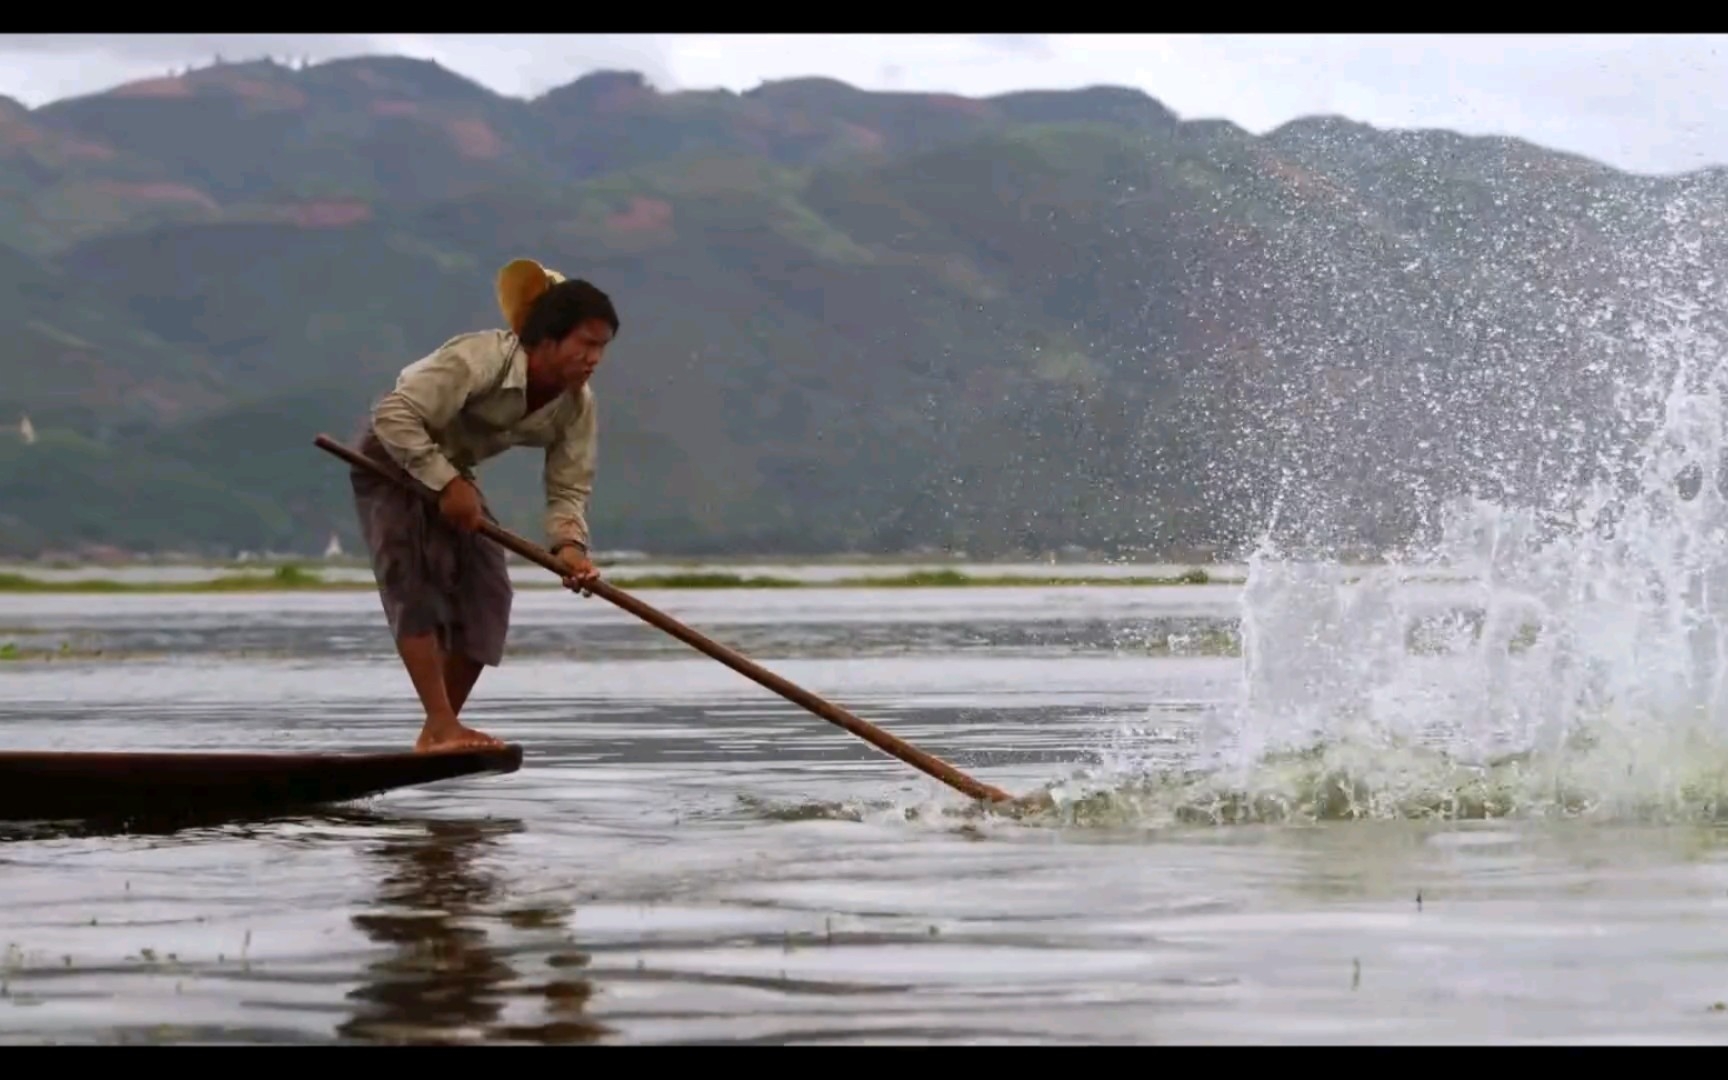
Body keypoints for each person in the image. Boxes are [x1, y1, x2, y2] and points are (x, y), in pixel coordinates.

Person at [348, 258, 617, 754]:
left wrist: (570, 547)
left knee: (488, 591)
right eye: (586, 344)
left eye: (602, 347)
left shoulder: (577, 405)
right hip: (392, 456)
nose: (594, 359)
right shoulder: (481, 358)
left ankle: (438, 730)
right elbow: (394, 414)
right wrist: (446, 482)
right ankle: (440, 724)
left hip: (451, 472)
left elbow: (569, 485)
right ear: (548, 339)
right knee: (414, 577)